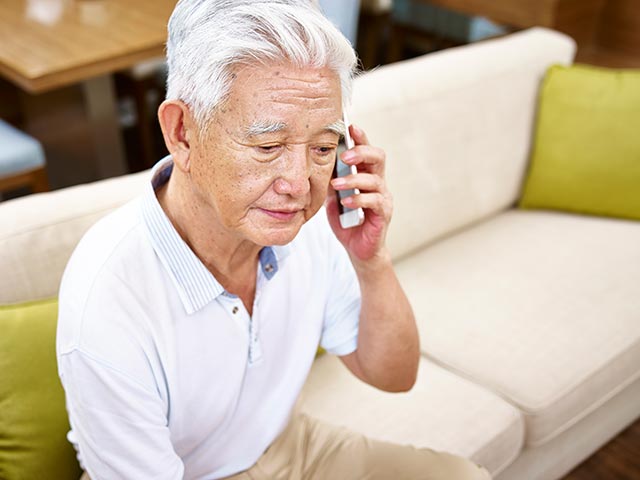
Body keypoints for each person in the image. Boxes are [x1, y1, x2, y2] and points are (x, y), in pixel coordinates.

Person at [56, 1, 491, 479]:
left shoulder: (309, 226)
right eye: (267, 147)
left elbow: (392, 375)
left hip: (289, 445)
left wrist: (372, 261)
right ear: (182, 132)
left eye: (324, 148)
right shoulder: (108, 296)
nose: (299, 184)